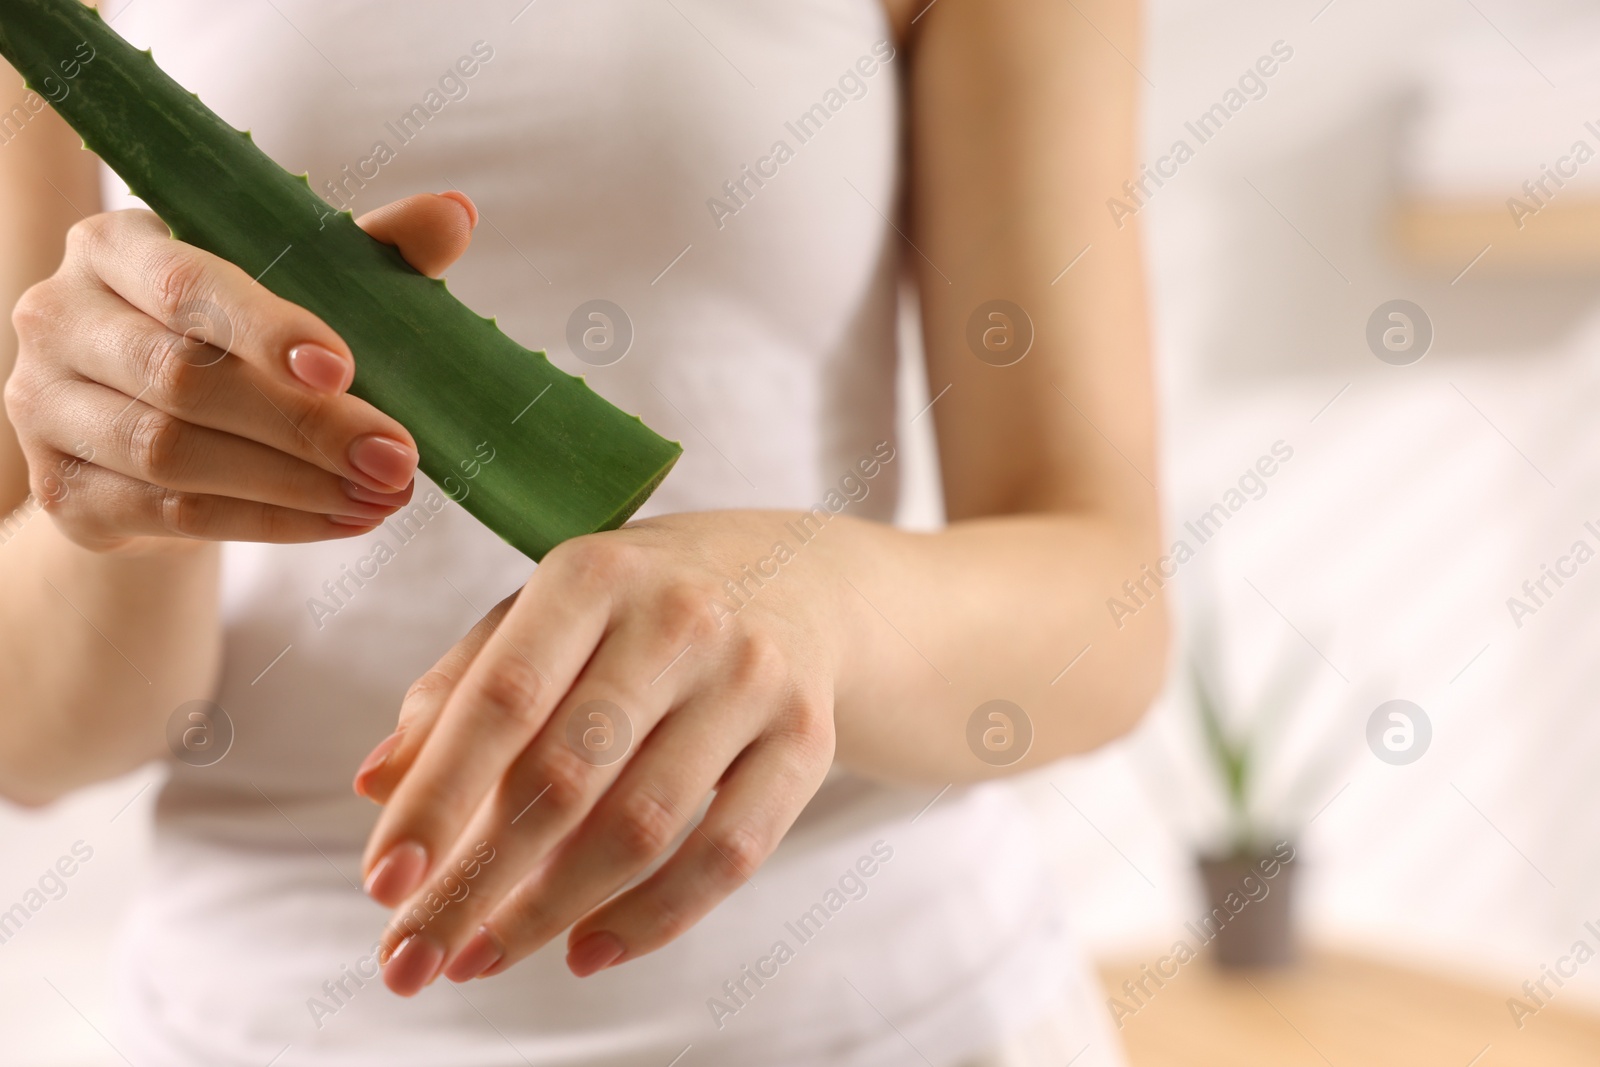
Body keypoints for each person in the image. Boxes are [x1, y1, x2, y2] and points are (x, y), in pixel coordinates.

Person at [0, 0, 1165, 1063]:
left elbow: (1106, 602)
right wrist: (144, 492)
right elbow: (30, 733)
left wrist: (808, 603)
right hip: (260, 1020)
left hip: (885, 1014)